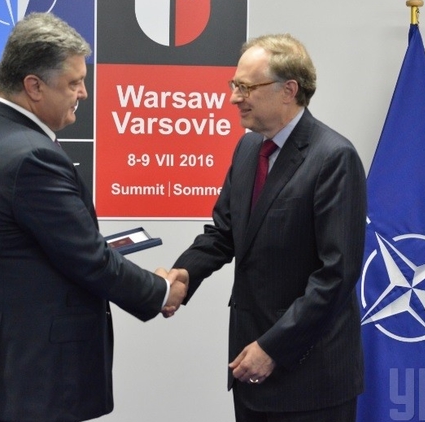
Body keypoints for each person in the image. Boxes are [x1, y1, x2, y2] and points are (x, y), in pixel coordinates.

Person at [0, 13, 187, 422]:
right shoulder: (31, 157)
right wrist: (159, 291)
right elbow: (89, 259)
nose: (83, 93)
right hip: (29, 381)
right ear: (34, 86)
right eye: (74, 83)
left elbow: (42, 248)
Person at [167, 33, 367, 421]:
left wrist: (274, 347)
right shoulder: (248, 149)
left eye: (246, 87)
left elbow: (336, 276)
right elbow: (224, 232)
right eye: (234, 85)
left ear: (288, 90)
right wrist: (185, 274)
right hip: (250, 366)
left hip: (309, 374)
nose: (234, 97)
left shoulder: (332, 157)